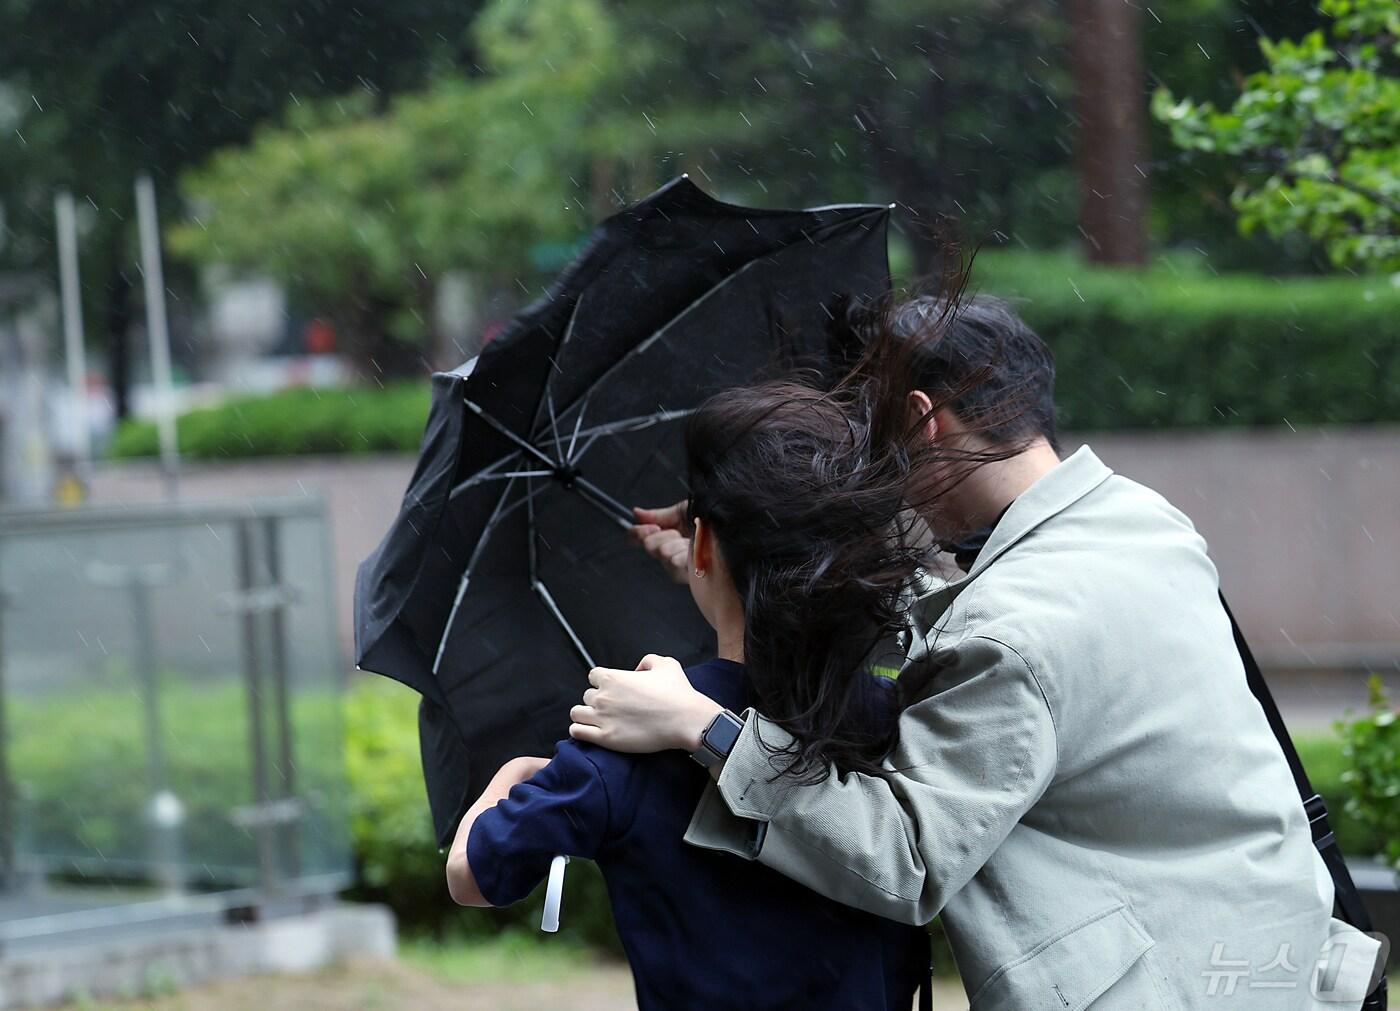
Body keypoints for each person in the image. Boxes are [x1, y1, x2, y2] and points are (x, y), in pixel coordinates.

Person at [571, 294, 1385, 1009]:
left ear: (924, 420)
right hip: (1279, 961)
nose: (879, 477)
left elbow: (906, 857)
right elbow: (990, 625)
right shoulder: (1142, 521)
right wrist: (740, 560)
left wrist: (706, 728)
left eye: (878, 443)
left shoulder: (1008, 632)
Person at [445, 381, 933, 1011]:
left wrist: (515, 773)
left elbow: (473, 875)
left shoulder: (626, 742)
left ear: (701, 543)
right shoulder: (892, 719)